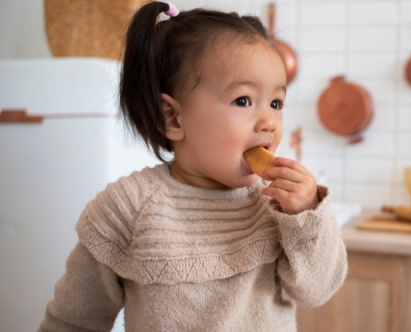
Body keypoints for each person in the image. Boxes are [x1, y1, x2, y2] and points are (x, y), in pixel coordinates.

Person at [38, 2, 347, 331]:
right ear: (172, 117)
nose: (269, 121)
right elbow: (73, 321)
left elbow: (318, 291)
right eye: (243, 100)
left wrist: (307, 218)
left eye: (276, 103)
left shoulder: (278, 208)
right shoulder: (124, 210)